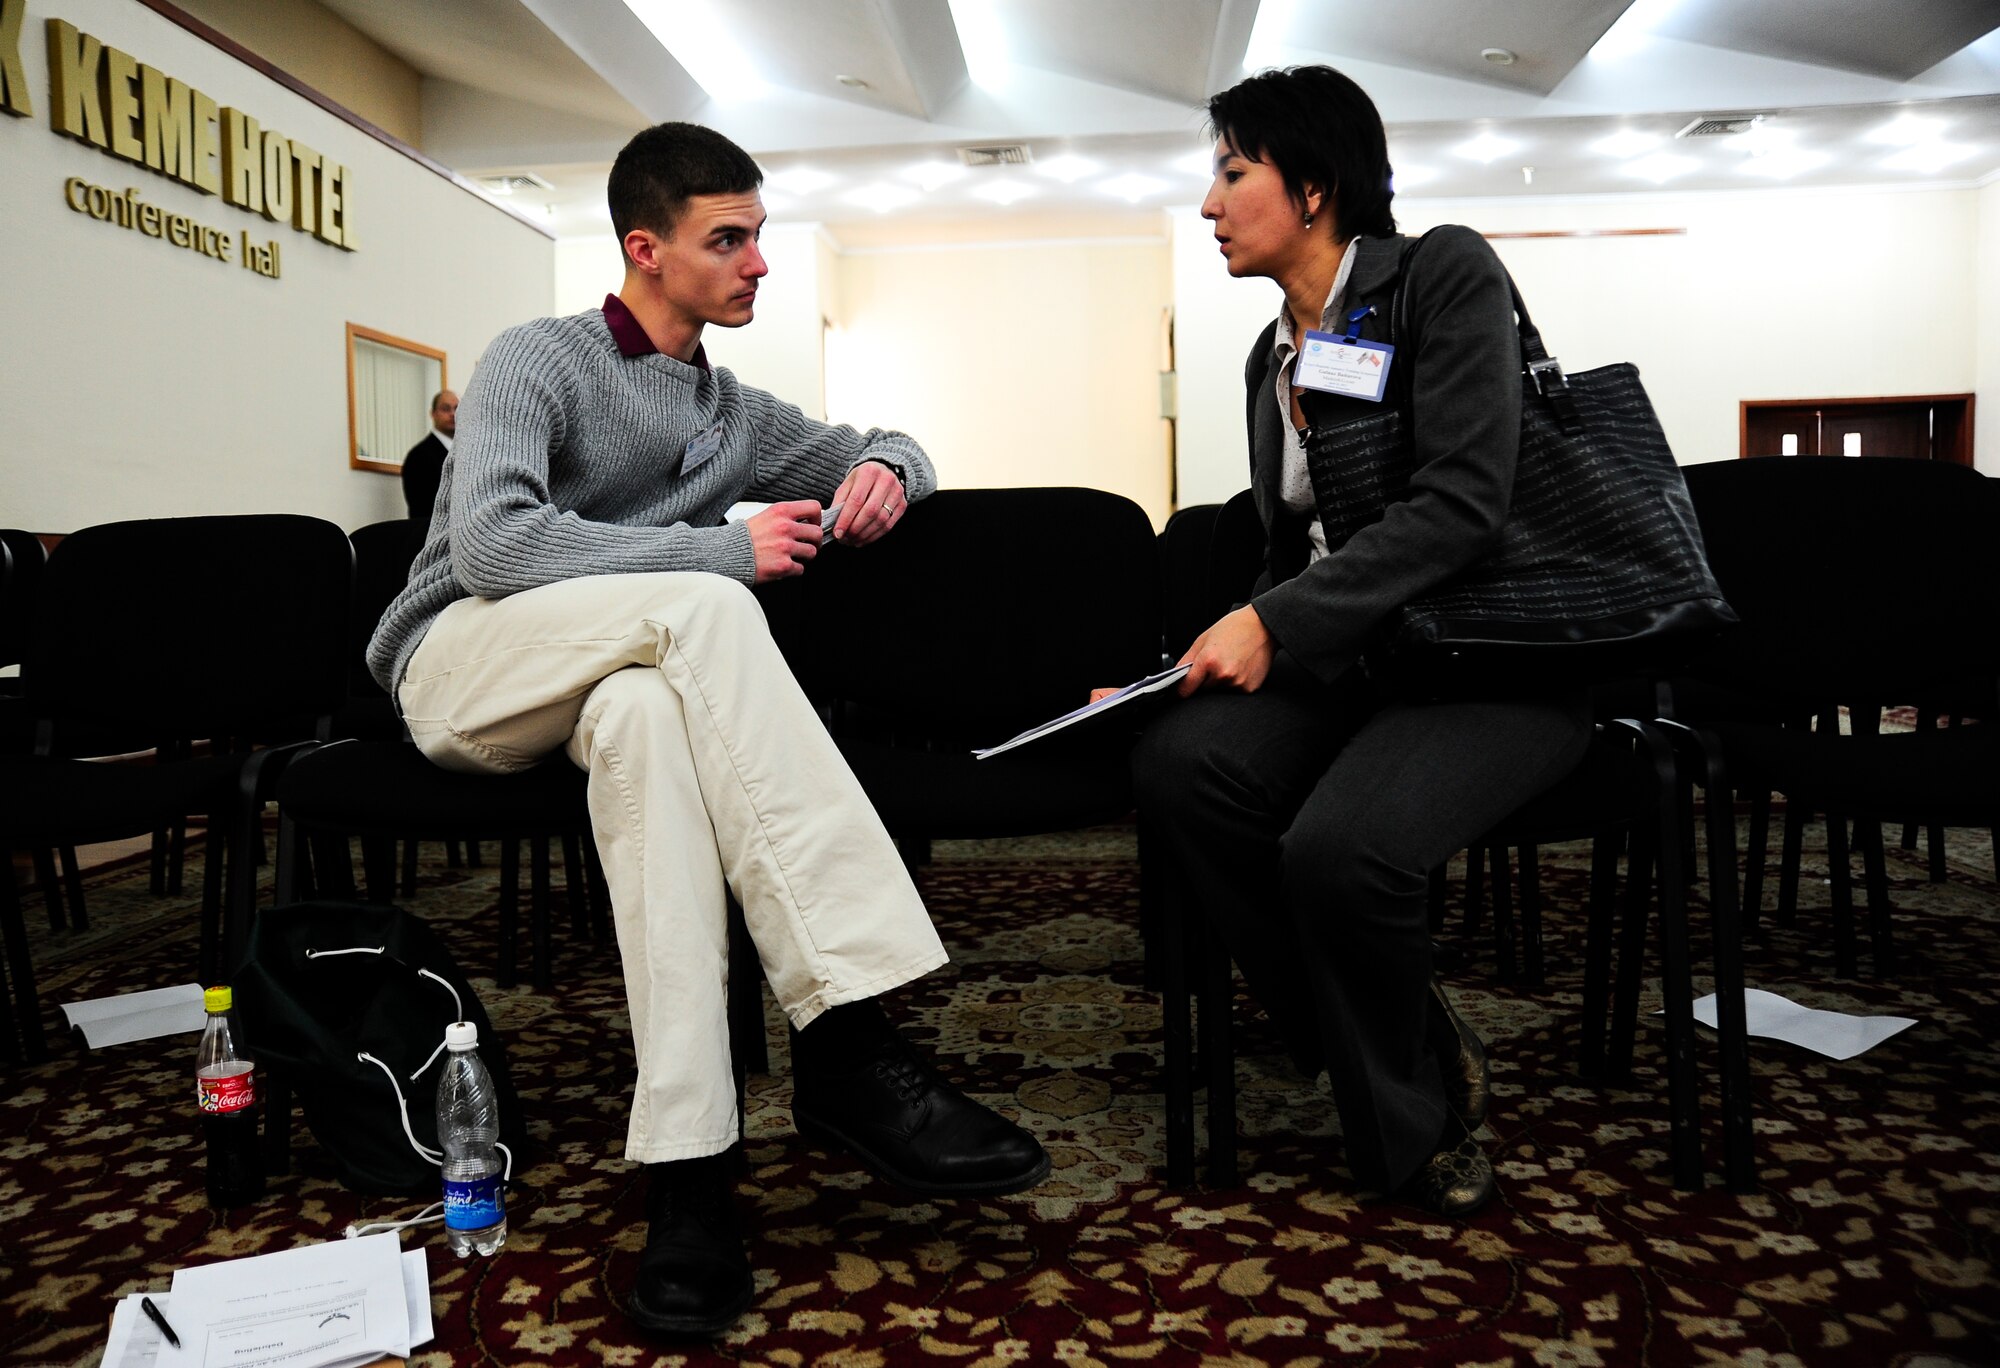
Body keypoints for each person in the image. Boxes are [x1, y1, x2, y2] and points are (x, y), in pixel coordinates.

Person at [366, 121, 1048, 1336]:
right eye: (725, 240)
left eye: (757, 237)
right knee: (706, 598)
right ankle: (845, 1037)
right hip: (464, 664)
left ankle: (688, 1174)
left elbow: (887, 445)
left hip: (608, 684)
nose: (756, 264)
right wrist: (716, 550)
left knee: (647, 729)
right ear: (647, 248)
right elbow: (494, 547)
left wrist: (892, 466)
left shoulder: (731, 409)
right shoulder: (538, 358)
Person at [1133, 66, 1593, 1219]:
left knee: (1336, 854)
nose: (1207, 203)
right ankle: (1375, 1026)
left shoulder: (1437, 273)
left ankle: (1412, 1118)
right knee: (1179, 768)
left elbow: (1459, 505)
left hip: (1493, 655)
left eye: (1231, 172)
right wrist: (1193, 657)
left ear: (1313, 187)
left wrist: (1271, 623)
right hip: (1363, 667)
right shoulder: (1265, 357)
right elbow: (1291, 552)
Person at [400, 389, 457, 534]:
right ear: (433, 414)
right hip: (433, 536)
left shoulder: (466, 453)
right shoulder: (419, 456)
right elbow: (422, 510)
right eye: (445, 409)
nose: (452, 414)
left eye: (457, 408)